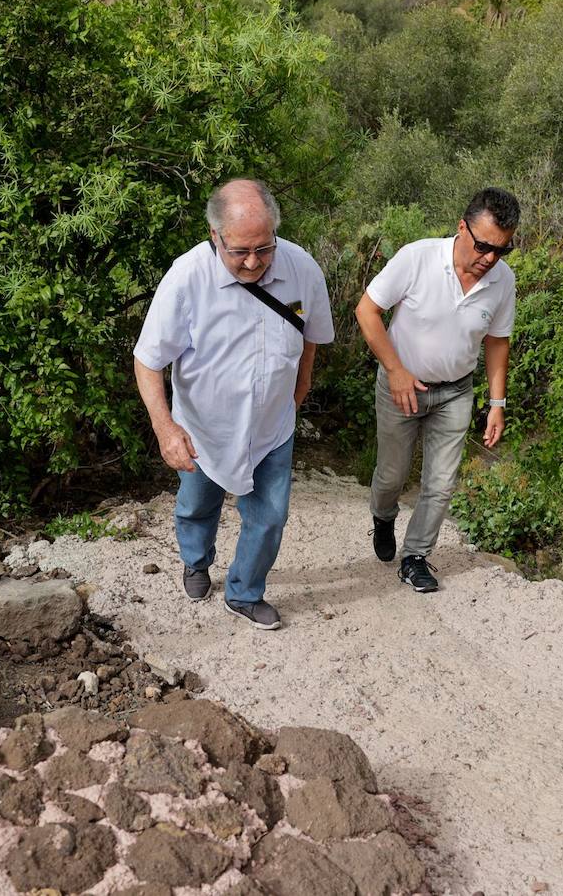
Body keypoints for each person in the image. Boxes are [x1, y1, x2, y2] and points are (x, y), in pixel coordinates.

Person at [133, 179, 334, 630]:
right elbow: (147, 362)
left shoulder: (302, 269)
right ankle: (196, 560)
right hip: (205, 428)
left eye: (264, 249)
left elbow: (311, 339)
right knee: (196, 506)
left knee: (269, 518)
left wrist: (299, 392)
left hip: (271, 426)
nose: (253, 262)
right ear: (214, 235)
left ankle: (244, 592)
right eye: (240, 251)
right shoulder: (187, 278)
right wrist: (167, 429)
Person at [354, 187, 519, 592]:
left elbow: (498, 341)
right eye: (483, 246)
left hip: (455, 392)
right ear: (461, 228)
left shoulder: (502, 280)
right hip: (401, 387)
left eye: (501, 250)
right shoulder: (418, 257)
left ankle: (415, 557)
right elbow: (367, 311)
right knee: (392, 475)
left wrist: (497, 403)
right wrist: (394, 370)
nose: (489, 258)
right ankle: (383, 515)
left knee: (441, 482)